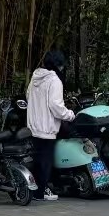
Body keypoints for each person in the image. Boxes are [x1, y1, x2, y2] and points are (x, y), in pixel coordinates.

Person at [25, 50, 75, 201]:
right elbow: (56, 106)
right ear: (58, 65)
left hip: (33, 126)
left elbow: (28, 96)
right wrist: (70, 115)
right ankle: (40, 192)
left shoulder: (35, 77)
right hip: (47, 127)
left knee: (37, 160)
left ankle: (35, 189)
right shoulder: (54, 80)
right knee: (45, 162)